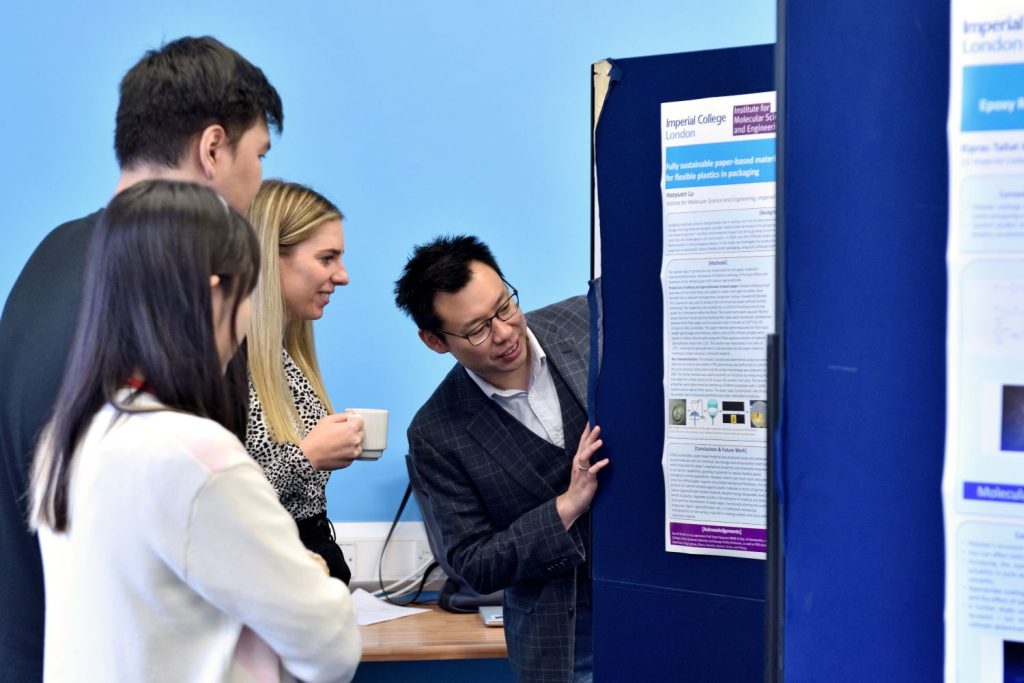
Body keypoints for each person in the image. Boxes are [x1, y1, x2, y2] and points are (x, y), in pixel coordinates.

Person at [0, 36, 283, 682]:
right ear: (213, 149)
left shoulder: (50, 256)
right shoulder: (187, 304)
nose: (259, 184)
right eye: (259, 156)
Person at [29, 180, 361, 683]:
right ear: (215, 292)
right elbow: (331, 647)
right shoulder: (196, 457)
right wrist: (312, 573)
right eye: (248, 290)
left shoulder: (70, 438)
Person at [394, 235, 608, 683]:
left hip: (665, 593)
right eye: (476, 329)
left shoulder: (590, 319)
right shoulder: (436, 433)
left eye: (505, 306)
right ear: (435, 341)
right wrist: (566, 506)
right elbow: (472, 562)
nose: (505, 333)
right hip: (564, 634)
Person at [245, 179, 361, 583]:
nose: (342, 276)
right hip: (267, 576)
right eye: (327, 258)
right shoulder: (222, 366)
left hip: (309, 566)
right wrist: (307, 455)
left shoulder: (285, 357)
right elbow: (216, 504)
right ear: (269, 255)